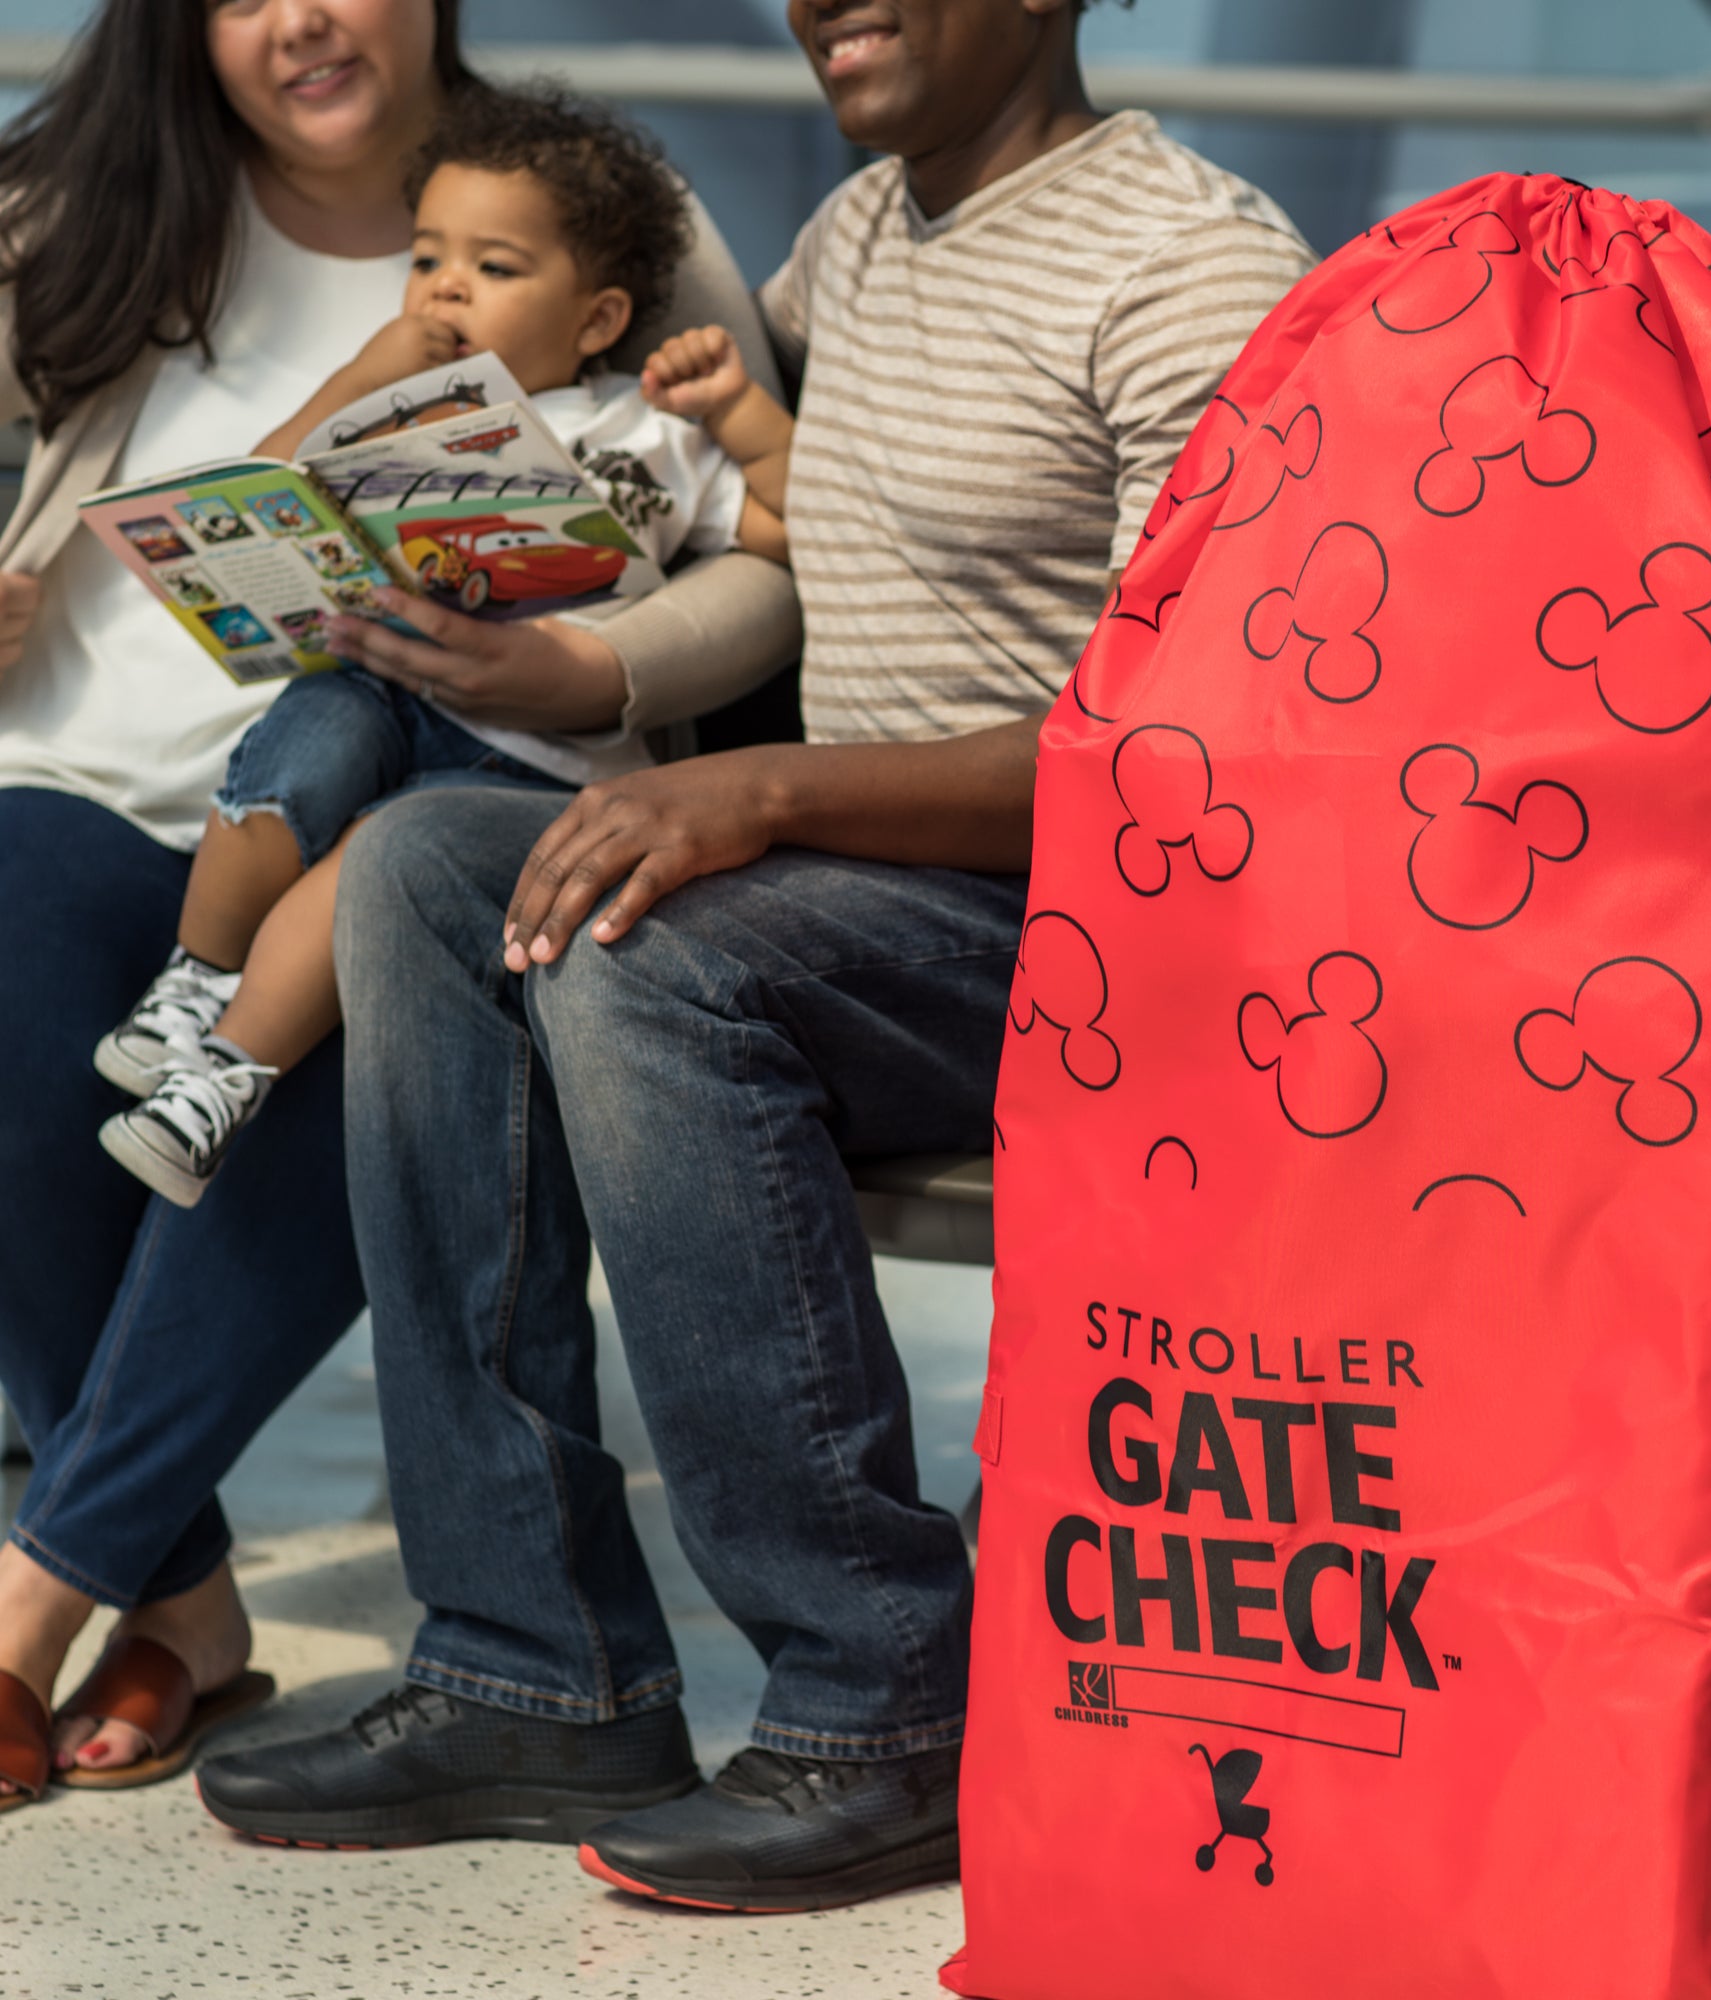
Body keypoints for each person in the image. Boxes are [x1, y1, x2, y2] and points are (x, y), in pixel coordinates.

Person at [198, 0, 1316, 1908]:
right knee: (426, 868)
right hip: (864, 884)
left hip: (1099, 929)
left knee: (648, 953)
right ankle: (535, 1666)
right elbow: (683, 430)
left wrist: (768, 790)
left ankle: (882, 1702)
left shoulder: (1186, 268)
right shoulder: (862, 232)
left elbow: (1178, 759)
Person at [0, 0, 797, 1814]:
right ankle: (181, 1599)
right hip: (74, 769)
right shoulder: (92, 191)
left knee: (366, 993)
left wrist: (587, 668)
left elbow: (763, 563)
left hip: (442, 788)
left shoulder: (606, 206)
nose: (299, 19)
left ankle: (33, 1604)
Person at [95, 84, 797, 1211]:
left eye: (495, 266)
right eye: (426, 259)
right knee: (301, 744)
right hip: (385, 690)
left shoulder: (648, 433)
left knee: (367, 860)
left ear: (598, 320)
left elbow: (791, 526)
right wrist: (361, 382)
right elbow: (254, 496)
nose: (446, 287)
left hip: (534, 761)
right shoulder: (389, 414)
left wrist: (740, 412)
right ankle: (193, 981)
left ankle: (223, 1079)